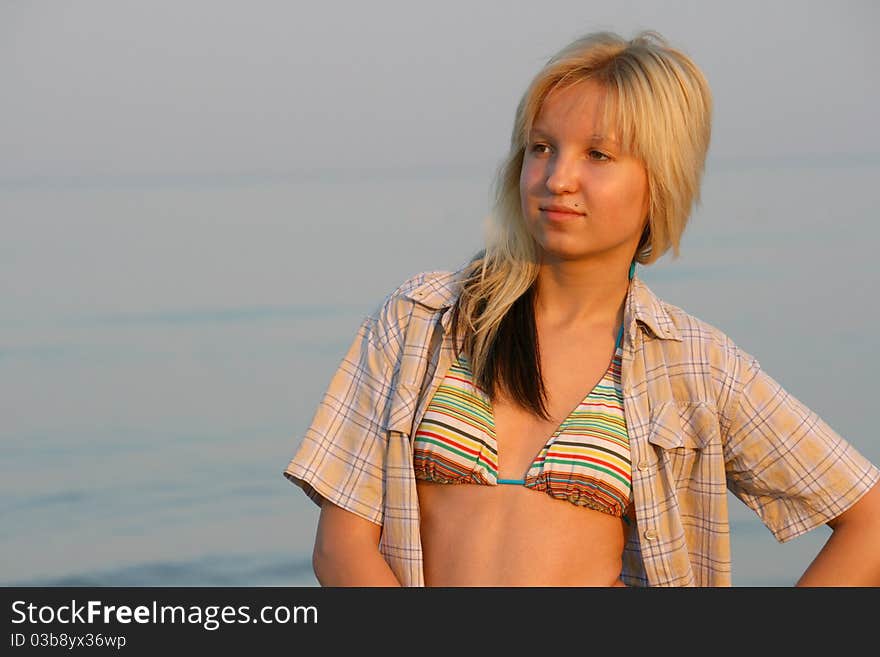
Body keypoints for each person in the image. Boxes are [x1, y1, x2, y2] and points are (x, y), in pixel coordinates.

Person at [281, 30, 880, 587]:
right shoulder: (421, 320)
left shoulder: (695, 366)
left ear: (660, 179)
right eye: (542, 148)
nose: (557, 178)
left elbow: (868, 521)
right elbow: (341, 548)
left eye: (598, 155)